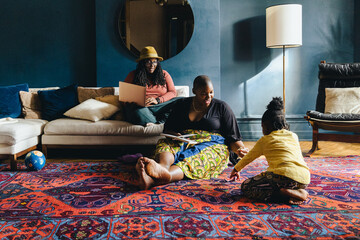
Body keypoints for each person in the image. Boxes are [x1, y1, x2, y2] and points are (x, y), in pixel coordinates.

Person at [135, 75, 249, 190]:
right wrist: (174, 135)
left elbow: (233, 138)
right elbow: (168, 128)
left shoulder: (222, 107)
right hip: (183, 140)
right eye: (203, 94)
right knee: (165, 145)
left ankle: (165, 176)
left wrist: (239, 150)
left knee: (202, 157)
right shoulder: (181, 104)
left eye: (211, 92)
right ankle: (161, 167)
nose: (208, 97)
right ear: (194, 91)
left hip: (213, 145)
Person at [229, 97, 310, 205]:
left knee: (246, 186)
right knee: (271, 178)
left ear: (265, 127)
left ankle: (284, 193)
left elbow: (249, 157)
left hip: (283, 178)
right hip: (304, 179)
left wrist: (236, 168)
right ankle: (296, 192)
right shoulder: (293, 136)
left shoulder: (265, 140)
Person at [123, 46, 178, 126]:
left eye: (155, 61)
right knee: (137, 112)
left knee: (181, 101)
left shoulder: (164, 74)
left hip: (160, 106)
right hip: (142, 108)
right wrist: (138, 103)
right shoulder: (132, 75)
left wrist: (158, 100)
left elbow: (172, 92)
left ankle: (155, 122)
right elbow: (124, 98)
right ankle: (159, 123)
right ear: (142, 63)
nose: (152, 65)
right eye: (148, 62)